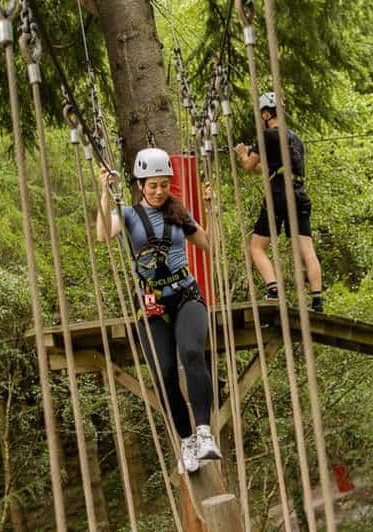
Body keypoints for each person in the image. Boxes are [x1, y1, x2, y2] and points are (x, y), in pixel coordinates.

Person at [96, 147, 221, 474]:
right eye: (152, 185)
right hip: (151, 306)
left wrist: (211, 209)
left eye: (163, 184)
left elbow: (209, 245)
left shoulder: (179, 214)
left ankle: (205, 432)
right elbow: (101, 235)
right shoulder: (127, 215)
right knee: (164, 374)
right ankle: (187, 440)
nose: (158, 190)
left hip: (186, 295)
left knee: (193, 353)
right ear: (140, 184)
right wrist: (103, 193)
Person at [234, 92, 324, 312]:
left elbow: (248, 165)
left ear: (266, 113)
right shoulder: (296, 139)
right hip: (299, 191)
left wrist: (242, 154)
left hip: (278, 193)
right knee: (307, 249)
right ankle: (317, 299)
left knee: (257, 247)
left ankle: (273, 289)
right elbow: (266, 168)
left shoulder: (266, 135)